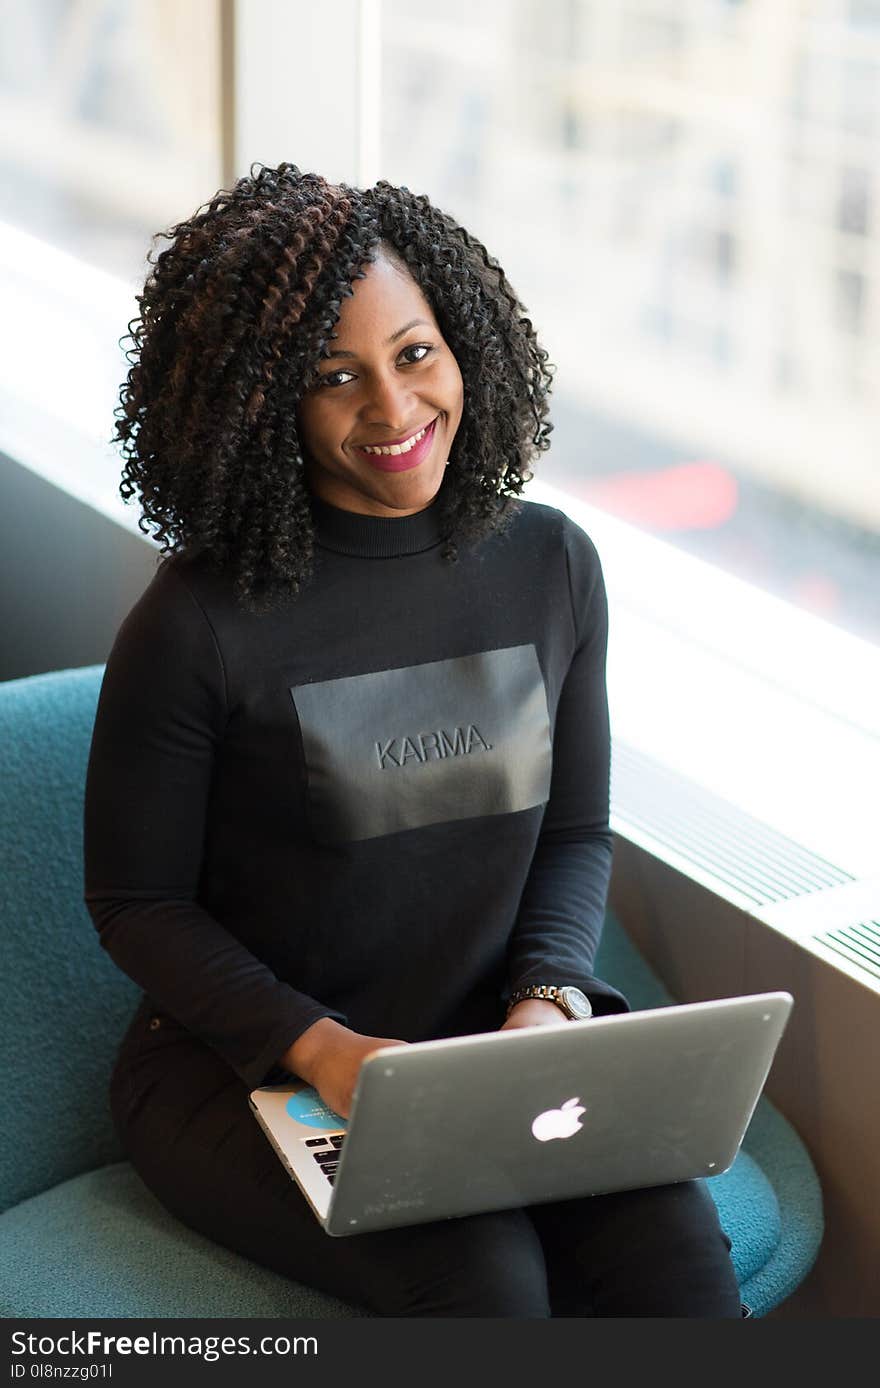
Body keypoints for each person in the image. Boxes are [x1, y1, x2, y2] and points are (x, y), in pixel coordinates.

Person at [84, 161, 745, 1318]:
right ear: (262, 403)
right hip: (253, 1072)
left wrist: (545, 999)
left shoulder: (549, 564)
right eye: (333, 377)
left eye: (413, 353)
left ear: (463, 344)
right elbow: (137, 905)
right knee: (484, 1283)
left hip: (496, 1054)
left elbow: (575, 828)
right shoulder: (196, 620)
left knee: (676, 1264)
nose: (391, 412)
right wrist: (329, 1049)